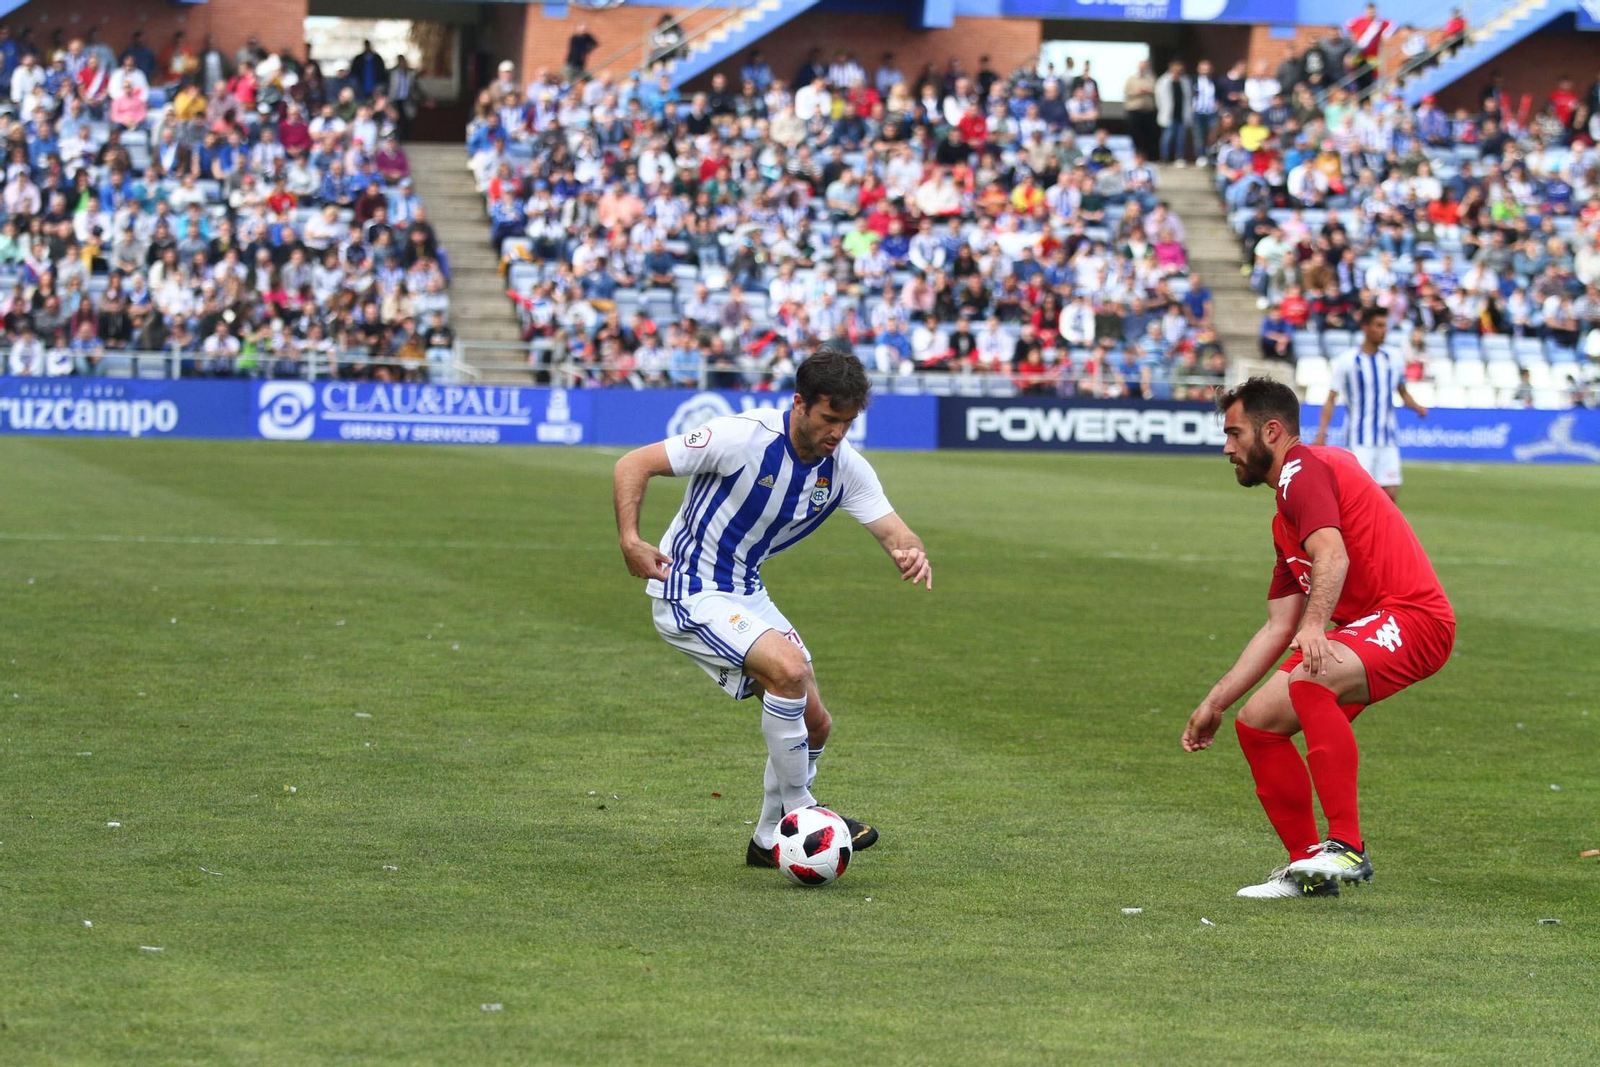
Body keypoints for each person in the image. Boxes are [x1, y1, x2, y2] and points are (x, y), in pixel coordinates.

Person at [611, 347, 932, 868]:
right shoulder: (742, 436)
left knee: (816, 723)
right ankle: (802, 811)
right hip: (688, 587)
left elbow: (894, 528)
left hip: (745, 591)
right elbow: (634, 463)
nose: (838, 433)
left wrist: (908, 550)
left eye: (848, 423)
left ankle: (766, 841)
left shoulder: (844, 466)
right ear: (801, 403)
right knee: (788, 669)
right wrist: (630, 539)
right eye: (830, 419)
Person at [1183, 377, 1455, 898]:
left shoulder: (1303, 469)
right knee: (1257, 724)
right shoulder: (1284, 518)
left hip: (1415, 617)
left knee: (1312, 677)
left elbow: (1332, 555)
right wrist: (1215, 701)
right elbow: (1277, 625)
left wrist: (1315, 627)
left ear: (1271, 430)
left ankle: (1346, 847)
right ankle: (1309, 869)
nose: (1227, 448)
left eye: (1235, 434)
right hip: (1366, 628)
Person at [1313, 307, 1428, 503]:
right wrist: (1322, 432)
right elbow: (1331, 398)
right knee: (1359, 495)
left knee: (1390, 494)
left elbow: (1402, 391)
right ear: (1365, 327)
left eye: (1386, 326)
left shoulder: (1393, 358)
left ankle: (1382, 534)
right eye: (1379, 325)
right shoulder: (1347, 361)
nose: (1384, 330)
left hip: (1387, 437)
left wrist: (1416, 406)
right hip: (1359, 439)